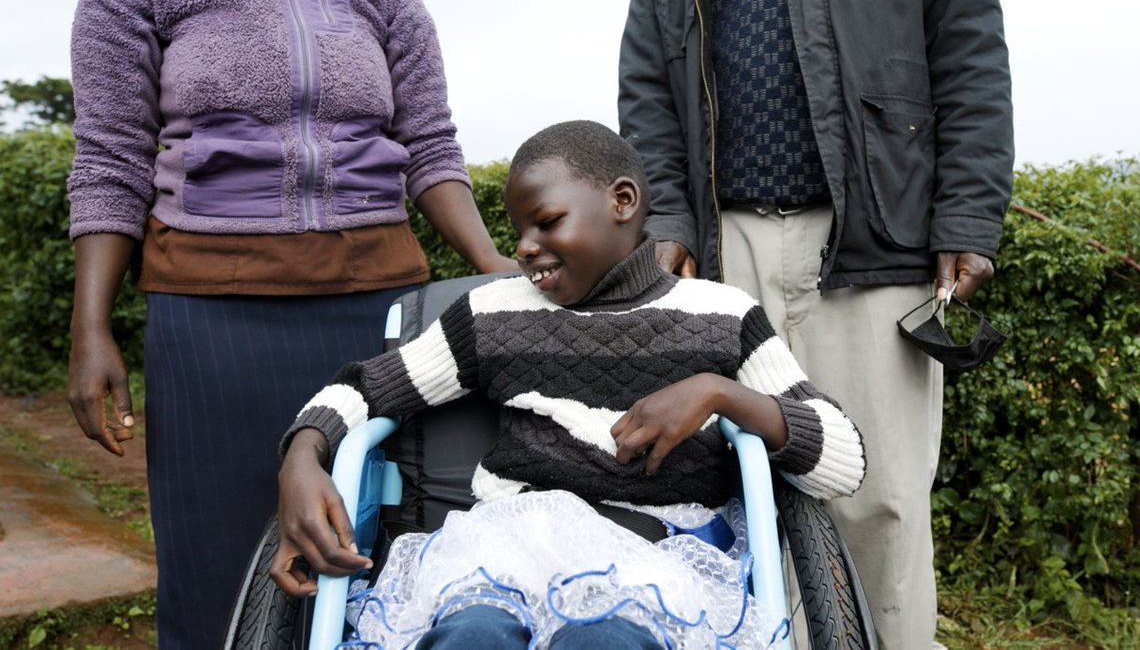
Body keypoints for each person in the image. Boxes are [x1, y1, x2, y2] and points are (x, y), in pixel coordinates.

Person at [270, 120, 868, 647]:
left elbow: (842, 459)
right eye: (517, 230)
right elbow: (368, 388)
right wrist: (302, 457)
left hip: (654, 557)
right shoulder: (495, 313)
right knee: (472, 637)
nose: (524, 249)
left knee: (604, 639)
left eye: (547, 222)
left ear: (623, 201)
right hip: (510, 548)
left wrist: (718, 391)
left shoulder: (722, 316)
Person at [66, 0, 515, 646]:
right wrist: (90, 325)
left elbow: (428, 141)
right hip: (213, 318)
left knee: (367, 556)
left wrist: (492, 264)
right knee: (218, 569)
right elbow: (111, 154)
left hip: (374, 312)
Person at [617, 0, 1014, 647]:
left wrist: (969, 215)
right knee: (735, 496)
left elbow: (969, 55)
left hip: (875, 236)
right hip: (723, 246)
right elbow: (648, 83)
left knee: (880, 499)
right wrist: (669, 218)